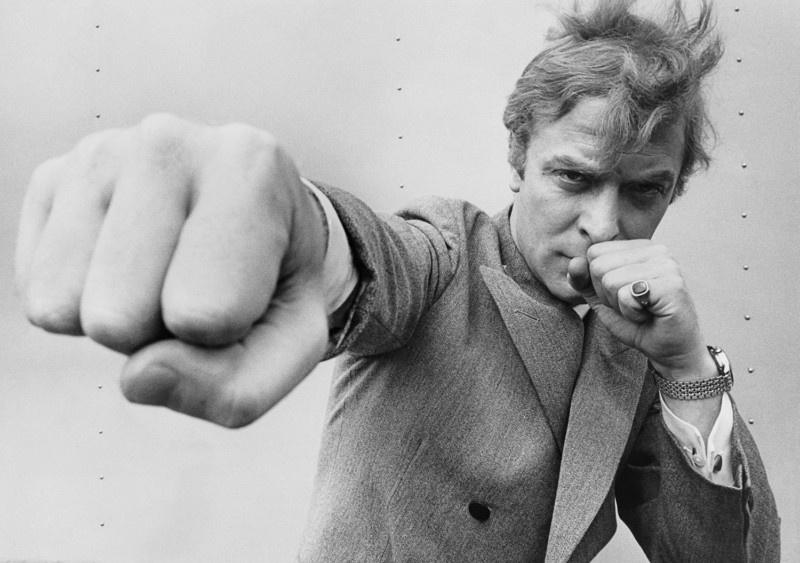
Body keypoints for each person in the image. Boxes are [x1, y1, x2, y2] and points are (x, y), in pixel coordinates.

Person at [15, 0, 779, 561]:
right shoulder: (445, 253)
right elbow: (369, 260)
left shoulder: (640, 349)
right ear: (518, 157)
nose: (605, 224)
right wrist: (294, 221)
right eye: (573, 178)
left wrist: (687, 368)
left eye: (644, 190)